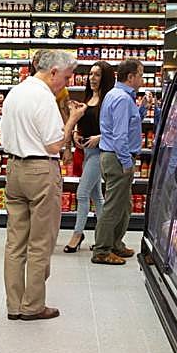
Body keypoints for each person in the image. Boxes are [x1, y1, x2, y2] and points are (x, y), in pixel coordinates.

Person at [1, 49, 85, 321]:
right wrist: (72, 121)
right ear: (53, 72)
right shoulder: (44, 97)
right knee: (40, 242)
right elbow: (53, 144)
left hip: (14, 168)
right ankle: (33, 306)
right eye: (67, 77)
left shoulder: (15, 92)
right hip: (40, 170)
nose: (67, 83)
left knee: (15, 243)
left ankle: (14, 305)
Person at [91, 59, 150, 265]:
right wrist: (126, 162)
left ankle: (115, 243)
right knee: (114, 206)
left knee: (124, 205)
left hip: (114, 156)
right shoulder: (123, 99)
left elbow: (128, 126)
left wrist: (142, 111)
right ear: (131, 76)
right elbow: (119, 136)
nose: (142, 80)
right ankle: (101, 250)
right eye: (141, 75)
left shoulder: (118, 96)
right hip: (117, 158)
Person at [64, 60, 114, 252]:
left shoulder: (108, 100)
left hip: (100, 153)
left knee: (81, 193)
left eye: (97, 75)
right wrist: (77, 133)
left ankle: (77, 234)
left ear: (106, 78)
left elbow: (116, 129)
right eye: (91, 74)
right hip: (86, 152)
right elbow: (83, 124)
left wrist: (99, 137)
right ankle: (103, 237)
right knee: (96, 196)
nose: (92, 78)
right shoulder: (88, 99)